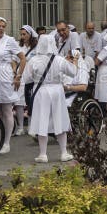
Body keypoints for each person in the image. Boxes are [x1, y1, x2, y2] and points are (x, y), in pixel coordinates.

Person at [22, 34, 78, 163]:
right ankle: (64, 152)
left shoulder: (34, 60)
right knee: (60, 119)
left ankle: (43, 154)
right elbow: (73, 72)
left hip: (41, 91)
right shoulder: (59, 59)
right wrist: (75, 60)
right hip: (57, 90)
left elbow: (27, 78)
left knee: (42, 120)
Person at [0, 17, 26, 154]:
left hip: (5, 75)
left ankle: (7, 142)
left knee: (7, 109)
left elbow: (22, 58)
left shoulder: (10, 40)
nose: (1, 28)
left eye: (3, 26)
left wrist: (18, 76)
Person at [18, 25, 39, 131]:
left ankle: (32, 126)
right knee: (19, 102)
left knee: (31, 101)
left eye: (24, 34)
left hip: (32, 77)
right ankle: (21, 127)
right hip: (21, 75)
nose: (22, 36)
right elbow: (14, 60)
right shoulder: (19, 47)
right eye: (21, 34)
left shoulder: (36, 47)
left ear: (30, 35)